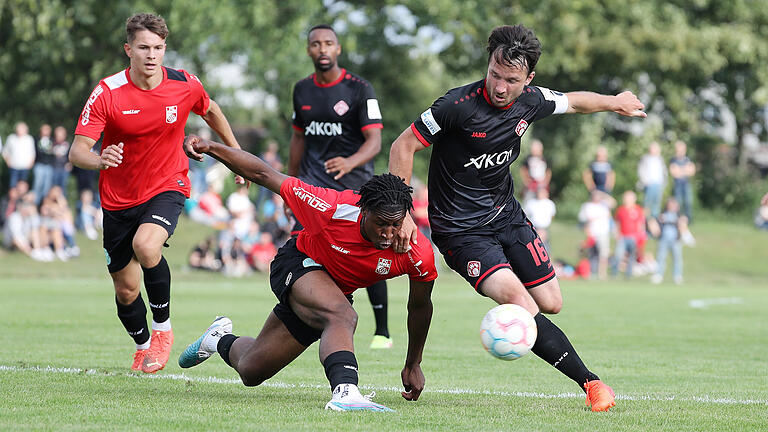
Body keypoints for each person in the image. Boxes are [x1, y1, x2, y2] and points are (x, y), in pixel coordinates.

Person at [389, 24, 646, 412]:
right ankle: (592, 384)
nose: (500, 86)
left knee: (551, 302)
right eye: (495, 74)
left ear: (528, 79)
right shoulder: (456, 106)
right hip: (460, 230)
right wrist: (403, 213)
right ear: (488, 66)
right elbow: (403, 145)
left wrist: (614, 101)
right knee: (521, 302)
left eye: (511, 79)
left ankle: (514, 303)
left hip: (507, 216)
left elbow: (575, 102)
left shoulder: (532, 101)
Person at [178, 135, 437, 412]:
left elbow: (420, 306)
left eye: (396, 224)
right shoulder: (331, 207)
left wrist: (413, 363)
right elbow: (264, 173)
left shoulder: (416, 252)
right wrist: (212, 147)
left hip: (330, 292)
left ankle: (217, 339)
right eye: (381, 224)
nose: (388, 234)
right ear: (364, 212)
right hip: (297, 263)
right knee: (342, 315)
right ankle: (346, 392)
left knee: (251, 369)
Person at [69, 13, 245, 374]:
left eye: (159, 48)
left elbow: (211, 111)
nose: (152, 55)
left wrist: (236, 155)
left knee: (147, 246)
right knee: (126, 291)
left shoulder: (184, 84)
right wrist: (99, 159)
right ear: (128, 49)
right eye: (144, 47)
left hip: (168, 183)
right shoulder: (107, 92)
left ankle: (163, 331)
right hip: (118, 200)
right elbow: (77, 151)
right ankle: (143, 345)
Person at [287, 24, 392, 350]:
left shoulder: (360, 89)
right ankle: (307, 320)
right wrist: (288, 187)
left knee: (371, 253)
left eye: (328, 43)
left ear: (338, 49)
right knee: (300, 249)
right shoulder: (302, 89)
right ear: (309, 50)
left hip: (355, 188)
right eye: (316, 44)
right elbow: (298, 138)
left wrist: (349, 161)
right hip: (314, 188)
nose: (322, 49)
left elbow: (375, 141)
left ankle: (382, 332)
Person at [649, 198, 689, 284]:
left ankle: (677, 275)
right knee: (661, 257)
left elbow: (683, 225)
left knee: (677, 258)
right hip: (663, 239)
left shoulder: (679, 216)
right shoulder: (662, 215)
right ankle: (659, 274)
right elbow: (653, 222)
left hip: (675, 240)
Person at [578, 190, 614, 280]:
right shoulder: (587, 206)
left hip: (603, 233)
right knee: (590, 254)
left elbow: (613, 202)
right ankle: (590, 272)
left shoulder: (604, 205)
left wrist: (603, 195)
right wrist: (587, 232)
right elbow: (584, 221)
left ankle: (602, 273)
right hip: (592, 233)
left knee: (603, 254)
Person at [612, 190, 645, 278]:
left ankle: (628, 274)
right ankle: (614, 273)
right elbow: (617, 223)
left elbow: (640, 224)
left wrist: (640, 237)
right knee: (618, 255)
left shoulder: (638, 210)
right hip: (623, 237)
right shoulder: (621, 210)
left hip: (634, 237)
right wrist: (616, 233)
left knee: (632, 257)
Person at [638, 141, 667, 218]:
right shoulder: (646, 158)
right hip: (649, 184)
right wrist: (645, 181)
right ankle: (646, 219)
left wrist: (663, 183)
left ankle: (655, 219)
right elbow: (641, 171)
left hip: (659, 184)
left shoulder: (660, 159)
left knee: (656, 203)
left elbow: (664, 172)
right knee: (647, 203)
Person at [669, 140, 695, 223]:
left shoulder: (688, 159)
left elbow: (691, 172)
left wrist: (680, 170)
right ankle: (678, 219)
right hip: (677, 185)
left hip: (686, 184)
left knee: (688, 202)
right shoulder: (673, 160)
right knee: (678, 202)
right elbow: (674, 173)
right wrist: (685, 170)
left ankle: (688, 220)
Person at [3, 122, 36, 188]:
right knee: (13, 185)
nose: (20, 130)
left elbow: (32, 152)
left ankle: (21, 198)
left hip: (25, 166)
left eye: (22, 129)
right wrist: (8, 162)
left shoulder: (29, 139)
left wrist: (31, 163)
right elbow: (5, 151)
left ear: (26, 130)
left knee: (23, 186)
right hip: (14, 166)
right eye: (19, 129)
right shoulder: (11, 138)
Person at [31, 124, 55, 204]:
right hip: (39, 164)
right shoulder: (36, 139)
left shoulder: (52, 140)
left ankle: (44, 204)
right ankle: (35, 204)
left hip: (49, 165)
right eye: (44, 130)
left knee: (47, 187)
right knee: (37, 185)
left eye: (47, 130)